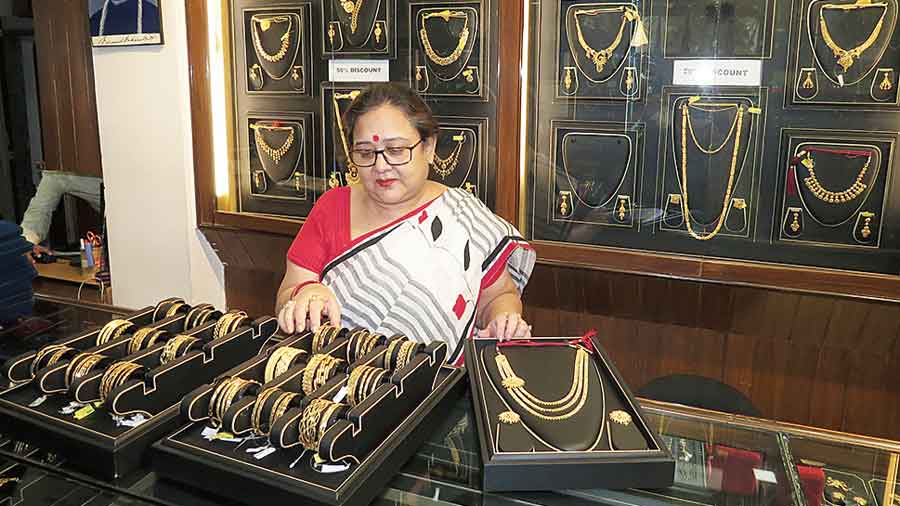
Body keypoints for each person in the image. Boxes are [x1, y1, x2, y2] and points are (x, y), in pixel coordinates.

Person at [276, 83, 535, 364]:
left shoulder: (465, 217)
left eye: (396, 150)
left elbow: (499, 296)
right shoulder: (332, 208)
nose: (381, 166)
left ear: (429, 147)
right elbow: (287, 294)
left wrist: (503, 320)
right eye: (365, 153)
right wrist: (306, 293)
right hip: (336, 382)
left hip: (437, 387)